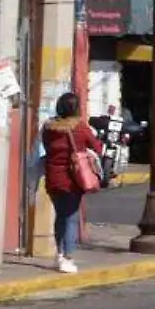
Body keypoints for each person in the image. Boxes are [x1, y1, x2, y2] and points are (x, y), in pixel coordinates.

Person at [39, 91, 105, 275]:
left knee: (61, 216)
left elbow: (46, 147)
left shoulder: (48, 127)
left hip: (52, 177)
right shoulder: (80, 127)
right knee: (71, 218)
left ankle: (59, 254)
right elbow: (97, 147)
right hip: (73, 178)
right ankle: (67, 257)